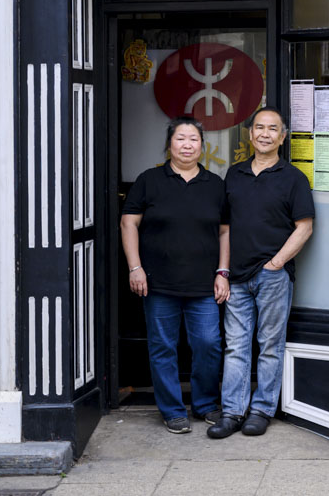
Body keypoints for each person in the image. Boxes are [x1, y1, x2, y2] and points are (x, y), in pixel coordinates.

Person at [208, 107, 314, 438]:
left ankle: (262, 409)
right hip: (236, 276)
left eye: (273, 129)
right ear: (250, 134)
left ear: (282, 137)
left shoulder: (293, 177)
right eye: (259, 128)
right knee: (236, 346)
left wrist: (277, 263)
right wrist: (222, 271)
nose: (265, 133)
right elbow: (224, 227)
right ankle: (232, 412)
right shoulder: (234, 175)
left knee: (269, 344)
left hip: (272, 277)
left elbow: (305, 227)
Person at [121, 117, 230, 434]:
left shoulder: (215, 185)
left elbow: (224, 232)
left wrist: (223, 272)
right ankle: (171, 410)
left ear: (202, 146)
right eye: (180, 138)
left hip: (203, 285)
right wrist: (135, 266)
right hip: (158, 283)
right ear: (169, 144)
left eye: (193, 139)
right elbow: (129, 224)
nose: (187, 145)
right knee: (163, 347)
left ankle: (206, 404)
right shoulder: (149, 180)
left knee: (208, 344)